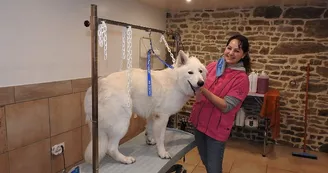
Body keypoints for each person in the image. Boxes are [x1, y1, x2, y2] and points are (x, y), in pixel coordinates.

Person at [189, 34, 251, 173]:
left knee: (214, 168)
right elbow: (196, 86)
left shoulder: (241, 79)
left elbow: (225, 106)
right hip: (199, 123)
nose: (231, 53)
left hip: (216, 130)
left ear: (244, 54)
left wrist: (202, 90)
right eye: (229, 48)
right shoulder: (212, 67)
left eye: (236, 51)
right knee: (205, 161)